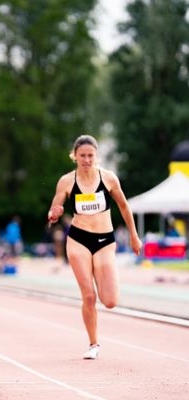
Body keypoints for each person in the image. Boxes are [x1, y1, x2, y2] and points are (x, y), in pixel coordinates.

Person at [47, 134, 142, 360]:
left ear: (96, 156)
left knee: (109, 301)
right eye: (82, 156)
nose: (87, 159)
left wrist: (134, 236)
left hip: (105, 240)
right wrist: (54, 213)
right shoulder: (67, 181)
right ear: (75, 156)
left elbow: (125, 207)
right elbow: (53, 211)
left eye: (90, 155)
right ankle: (93, 343)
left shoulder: (108, 178)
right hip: (78, 239)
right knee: (88, 296)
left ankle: (106, 280)